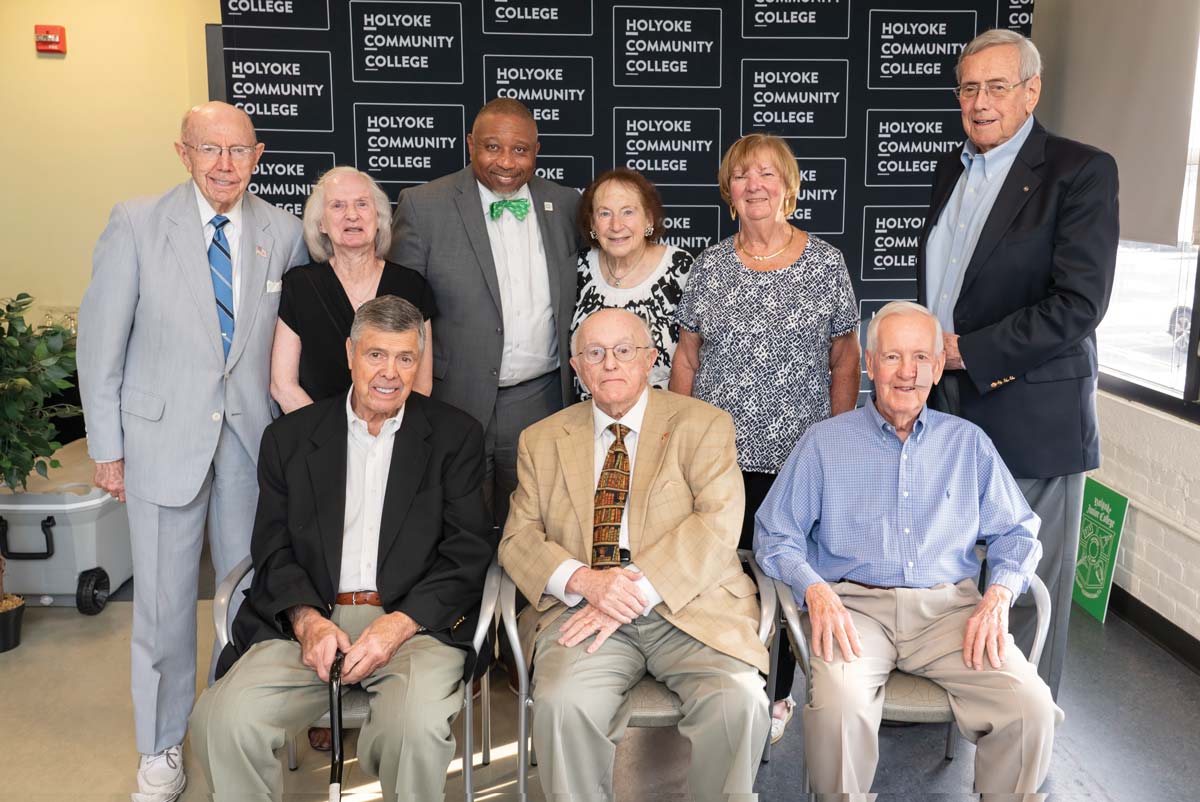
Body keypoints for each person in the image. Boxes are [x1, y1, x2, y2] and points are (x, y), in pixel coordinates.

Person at [76, 101, 307, 802]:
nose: (224, 164)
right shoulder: (137, 223)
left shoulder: (286, 232)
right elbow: (100, 346)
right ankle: (161, 748)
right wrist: (107, 448)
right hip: (158, 442)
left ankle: (223, 731)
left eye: (238, 151)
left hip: (248, 446)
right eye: (209, 149)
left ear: (258, 155)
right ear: (183, 152)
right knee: (164, 607)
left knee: (245, 602)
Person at [189, 296, 494, 801]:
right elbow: (272, 544)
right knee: (221, 720)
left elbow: (467, 551)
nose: (390, 374)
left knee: (412, 731)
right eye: (376, 355)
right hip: (308, 625)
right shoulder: (290, 438)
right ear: (349, 353)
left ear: (420, 363)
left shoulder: (454, 436)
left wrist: (398, 625)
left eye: (405, 358)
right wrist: (306, 620)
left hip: (414, 626)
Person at [756, 301, 1063, 797]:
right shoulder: (824, 443)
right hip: (853, 610)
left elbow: (1018, 532)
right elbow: (774, 533)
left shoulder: (969, 443)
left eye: (921, 357)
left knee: (1030, 705)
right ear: (870, 365)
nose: (907, 372)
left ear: (939, 366)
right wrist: (813, 588)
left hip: (951, 615)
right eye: (893, 357)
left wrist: (999, 594)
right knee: (838, 708)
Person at [918, 28, 1120, 697]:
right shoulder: (953, 169)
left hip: (1030, 414)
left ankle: (1023, 736)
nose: (980, 101)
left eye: (997, 86)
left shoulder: (1080, 171)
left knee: (1023, 588)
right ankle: (951, 708)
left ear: (1031, 91)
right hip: (946, 409)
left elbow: (1078, 305)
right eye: (969, 87)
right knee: (947, 578)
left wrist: (964, 351)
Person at [499, 308, 770, 802]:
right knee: (561, 705)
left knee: (739, 703)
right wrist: (586, 582)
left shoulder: (703, 425)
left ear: (650, 360)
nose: (610, 364)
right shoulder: (540, 441)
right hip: (582, 611)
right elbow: (518, 539)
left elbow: (718, 525)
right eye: (594, 354)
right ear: (577, 368)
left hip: (691, 606)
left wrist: (631, 590)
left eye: (624, 350)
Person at [669, 132, 861, 741]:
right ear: (729, 193)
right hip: (719, 461)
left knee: (786, 576)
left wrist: (836, 443)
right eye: (743, 176)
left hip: (799, 458)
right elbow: (688, 359)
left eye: (768, 175)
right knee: (728, 576)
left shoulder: (827, 264)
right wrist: (674, 442)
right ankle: (730, 683)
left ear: (790, 188)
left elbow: (845, 361)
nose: (755, 185)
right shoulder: (710, 267)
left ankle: (777, 695)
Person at [389, 97, 581, 527]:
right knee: (454, 529)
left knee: (540, 530)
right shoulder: (424, 206)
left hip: (543, 402)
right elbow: (400, 315)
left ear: (537, 150)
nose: (507, 162)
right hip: (452, 401)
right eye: (493, 147)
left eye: (520, 149)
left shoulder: (568, 205)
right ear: (470, 144)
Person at [271, 166, 435, 412]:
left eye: (362, 204)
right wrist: (329, 438)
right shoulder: (299, 286)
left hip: (394, 439)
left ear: (378, 219)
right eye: (337, 205)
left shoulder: (411, 286)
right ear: (321, 224)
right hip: (316, 441)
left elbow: (421, 386)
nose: (351, 215)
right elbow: (283, 386)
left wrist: (381, 437)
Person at [570, 167, 692, 397]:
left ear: (648, 218)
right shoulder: (578, 267)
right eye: (604, 213)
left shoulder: (680, 268)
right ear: (593, 224)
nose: (616, 225)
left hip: (661, 419)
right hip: (586, 418)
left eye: (628, 212)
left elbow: (694, 356)